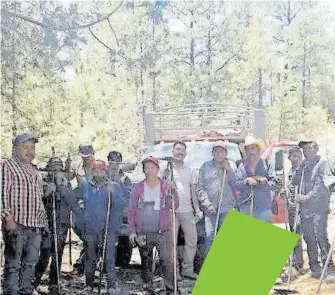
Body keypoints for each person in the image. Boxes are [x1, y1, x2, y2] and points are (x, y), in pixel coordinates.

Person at [1, 133, 48, 295]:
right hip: (16, 223)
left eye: (32, 147)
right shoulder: (7, 166)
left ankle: (26, 291)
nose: (30, 151)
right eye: (25, 147)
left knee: (30, 263)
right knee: (13, 264)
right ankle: (11, 292)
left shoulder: (35, 171)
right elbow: (2, 195)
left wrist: (44, 223)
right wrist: (8, 219)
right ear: (15, 149)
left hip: (35, 225)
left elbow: (38, 199)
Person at [128, 156, 179, 293]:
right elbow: (131, 210)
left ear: (157, 169)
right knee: (146, 260)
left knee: (166, 261)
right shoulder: (137, 188)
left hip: (162, 231)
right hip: (144, 231)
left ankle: (171, 288)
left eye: (152, 167)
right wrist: (132, 231)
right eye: (146, 168)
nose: (149, 170)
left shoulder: (166, 186)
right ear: (143, 170)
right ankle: (147, 285)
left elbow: (175, 205)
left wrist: (174, 192)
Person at [33, 157, 83, 294]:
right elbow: (38, 200)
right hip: (46, 223)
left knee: (57, 253)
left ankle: (54, 282)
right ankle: (34, 281)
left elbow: (72, 202)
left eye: (58, 168)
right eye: (53, 168)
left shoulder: (66, 185)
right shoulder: (42, 182)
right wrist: (49, 190)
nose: (55, 171)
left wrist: (61, 187)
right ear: (48, 169)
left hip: (61, 223)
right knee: (45, 253)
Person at [80, 160, 125, 295]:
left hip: (108, 228)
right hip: (90, 229)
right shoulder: (85, 185)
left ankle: (111, 285)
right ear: (91, 171)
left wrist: (113, 195)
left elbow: (121, 205)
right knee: (90, 257)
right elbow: (76, 201)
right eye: (95, 170)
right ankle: (89, 285)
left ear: (105, 171)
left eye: (100, 170)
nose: (97, 172)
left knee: (110, 258)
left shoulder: (114, 186)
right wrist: (81, 222)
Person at [292, 141, 335, 279]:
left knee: (320, 236)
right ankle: (315, 268)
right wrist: (299, 168)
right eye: (303, 149)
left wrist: (305, 198)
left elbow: (320, 188)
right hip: (305, 210)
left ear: (316, 148)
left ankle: (329, 269)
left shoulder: (323, 164)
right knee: (309, 238)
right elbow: (294, 182)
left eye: (308, 148)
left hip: (319, 208)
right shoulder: (303, 167)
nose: (305, 151)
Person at [167, 141, 202, 280]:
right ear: (173, 151)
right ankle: (174, 272)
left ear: (186, 153)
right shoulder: (166, 169)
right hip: (171, 211)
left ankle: (187, 269)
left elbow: (193, 192)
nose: (180, 152)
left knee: (192, 240)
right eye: (177, 149)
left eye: (182, 150)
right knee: (171, 242)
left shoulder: (190, 170)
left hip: (187, 211)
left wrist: (197, 209)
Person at [196, 140, 238, 257]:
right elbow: (200, 188)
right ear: (212, 153)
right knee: (210, 236)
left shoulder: (232, 165)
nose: (219, 154)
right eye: (216, 151)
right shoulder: (205, 167)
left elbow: (236, 184)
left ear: (226, 153)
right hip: (211, 210)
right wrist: (207, 204)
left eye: (221, 151)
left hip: (227, 208)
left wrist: (229, 170)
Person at [67, 143, 95, 275]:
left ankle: (84, 263)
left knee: (92, 236)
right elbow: (68, 178)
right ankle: (85, 260)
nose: (86, 158)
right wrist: (67, 167)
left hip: (95, 204)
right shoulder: (76, 165)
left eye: (88, 156)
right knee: (78, 229)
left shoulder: (98, 165)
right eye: (83, 156)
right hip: (80, 202)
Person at [235, 136, 276, 223]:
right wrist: (246, 181)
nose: (251, 152)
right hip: (245, 206)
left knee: (263, 235)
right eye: (248, 149)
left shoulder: (267, 164)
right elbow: (236, 184)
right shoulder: (241, 166)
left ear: (258, 150)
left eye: (253, 148)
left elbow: (274, 183)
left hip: (263, 206)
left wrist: (264, 182)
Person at [285, 147, 305, 274]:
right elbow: (289, 188)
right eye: (293, 156)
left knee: (300, 233)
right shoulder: (289, 171)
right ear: (289, 158)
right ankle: (296, 262)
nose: (296, 158)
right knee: (293, 233)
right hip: (292, 206)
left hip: (303, 207)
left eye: (298, 156)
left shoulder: (304, 171)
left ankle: (300, 263)